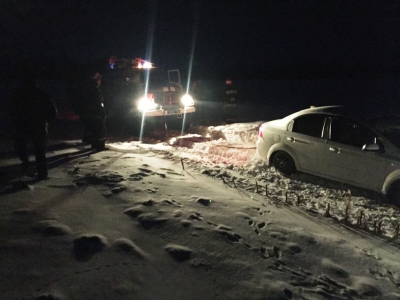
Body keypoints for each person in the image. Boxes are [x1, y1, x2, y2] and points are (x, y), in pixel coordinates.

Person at [9, 77, 57, 180]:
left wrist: (15, 122)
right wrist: (48, 122)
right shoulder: (42, 95)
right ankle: (42, 174)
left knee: (20, 146)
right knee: (40, 151)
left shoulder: (19, 96)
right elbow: (52, 111)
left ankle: (25, 163)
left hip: (23, 126)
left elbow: (12, 111)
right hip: (39, 126)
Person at [79, 71, 107, 151]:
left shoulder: (87, 88)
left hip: (90, 114)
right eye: (99, 79)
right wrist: (102, 114)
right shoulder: (94, 89)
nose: (100, 81)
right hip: (96, 114)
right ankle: (99, 146)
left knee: (93, 130)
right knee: (99, 131)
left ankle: (94, 145)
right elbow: (98, 103)